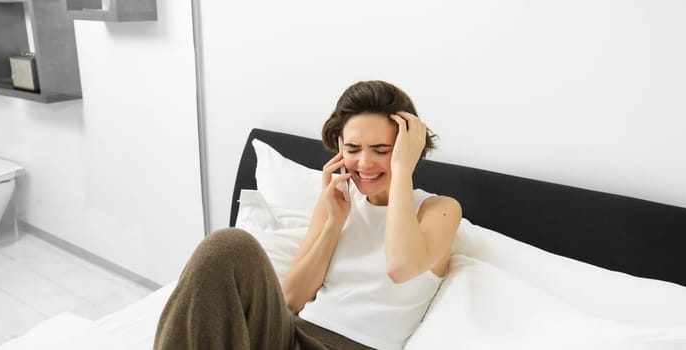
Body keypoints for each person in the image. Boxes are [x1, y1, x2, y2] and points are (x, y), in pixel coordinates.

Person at [154, 80, 462, 350]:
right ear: (339, 146)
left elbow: (400, 267)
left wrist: (402, 170)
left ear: (407, 148)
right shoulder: (336, 201)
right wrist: (334, 223)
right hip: (291, 335)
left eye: (382, 150)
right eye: (353, 149)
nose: (365, 163)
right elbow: (291, 299)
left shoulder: (439, 210)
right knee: (226, 245)